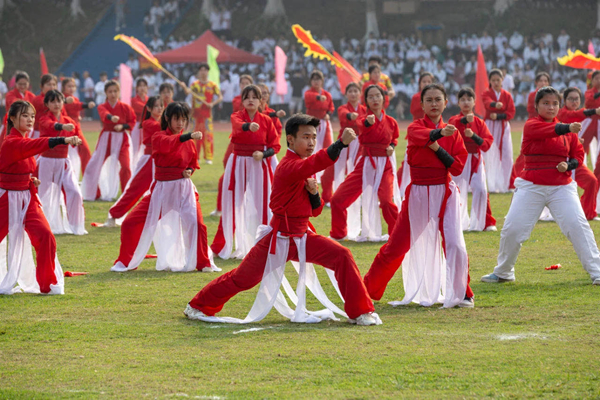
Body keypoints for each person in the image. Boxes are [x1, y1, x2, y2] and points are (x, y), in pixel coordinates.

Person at [184, 114, 381, 326]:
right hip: (277, 240)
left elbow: (314, 212)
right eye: (306, 137)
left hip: (303, 236)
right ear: (290, 140)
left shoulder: (304, 166)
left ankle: (361, 312)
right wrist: (340, 144)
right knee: (243, 278)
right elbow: (315, 162)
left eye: (314, 137)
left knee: (342, 255)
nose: (311, 142)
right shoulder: (288, 165)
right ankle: (198, 305)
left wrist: (314, 194)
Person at [363, 83, 473, 308]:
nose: (434, 104)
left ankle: (463, 292)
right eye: (429, 100)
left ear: (445, 103)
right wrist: (439, 135)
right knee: (396, 246)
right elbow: (421, 136)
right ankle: (366, 289)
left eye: (438, 99)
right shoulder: (414, 128)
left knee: (455, 244)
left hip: (446, 193)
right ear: (421, 104)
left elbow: (458, 168)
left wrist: (438, 148)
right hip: (419, 195)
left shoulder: (453, 133)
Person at [481, 87, 600, 286]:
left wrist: (569, 165)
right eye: (546, 103)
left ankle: (597, 272)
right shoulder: (532, 125)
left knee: (579, 227)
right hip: (531, 186)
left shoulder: (567, 131)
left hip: (561, 187)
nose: (551, 107)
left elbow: (578, 156)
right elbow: (548, 130)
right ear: (537, 106)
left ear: (559, 106)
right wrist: (567, 128)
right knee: (513, 229)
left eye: (555, 103)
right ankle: (504, 272)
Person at [111, 102, 219, 273]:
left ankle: (203, 262)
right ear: (168, 119)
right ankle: (125, 262)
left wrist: (189, 171)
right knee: (130, 222)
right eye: (177, 119)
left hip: (184, 191)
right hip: (161, 191)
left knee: (197, 224)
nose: (180, 123)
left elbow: (192, 163)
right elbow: (167, 144)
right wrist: (188, 136)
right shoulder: (159, 137)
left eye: (184, 119)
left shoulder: (189, 142)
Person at [0, 100, 81, 294]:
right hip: (5, 199)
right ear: (12, 118)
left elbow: (23, 161)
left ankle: (47, 284)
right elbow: (33, 145)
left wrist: (30, 180)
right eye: (25, 115)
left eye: (32, 116)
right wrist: (61, 139)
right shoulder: (11, 141)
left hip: (26, 198)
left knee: (46, 236)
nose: (30, 120)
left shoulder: (23, 141)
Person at [211, 85, 280, 260]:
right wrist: (249, 126)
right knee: (232, 204)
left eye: (254, 97)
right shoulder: (236, 116)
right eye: (247, 97)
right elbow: (238, 126)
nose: (251, 100)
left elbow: (275, 146)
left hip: (259, 164)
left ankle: (268, 242)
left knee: (263, 204)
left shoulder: (266, 121)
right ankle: (221, 245)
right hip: (238, 163)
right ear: (242, 100)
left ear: (260, 101)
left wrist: (263, 154)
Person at [330, 84, 400, 242]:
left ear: (383, 98)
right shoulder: (363, 119)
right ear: (366, 101)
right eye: (371, 97)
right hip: (366, 163)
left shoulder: (391, 122)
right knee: (338, 199)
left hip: (385, 166)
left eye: (378, 96)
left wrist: (391, 147)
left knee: (387, 202)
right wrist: (369, 122)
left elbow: (394, 138)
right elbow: (362, 127)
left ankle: (396, 235)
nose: (375, 99)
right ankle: (339, 233)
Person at [103, 96, 164, 227]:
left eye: (161, 106)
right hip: (149, 161)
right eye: (157, 106)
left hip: (162, 161)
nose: (160, 109)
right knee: (135, 190)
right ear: (148, 108)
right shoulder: (149, 123)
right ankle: (114, 215)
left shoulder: (162, 123)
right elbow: (163, 129)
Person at [37, 90, 87, 235]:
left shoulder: (70, 121)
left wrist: (76, 140)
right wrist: (62, 127)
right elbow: (50, 125)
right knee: (43, 195)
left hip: (63, 162)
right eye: (52, 101)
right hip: (46, 162)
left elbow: (76, 138)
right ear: (46, 104)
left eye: (59, 100)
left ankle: (75, 225)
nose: (56, 104)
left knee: (75, 192)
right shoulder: (43, 119)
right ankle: (41, 225)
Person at [448, 88, 496, 232]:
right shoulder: (454, 120)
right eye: (463, 100)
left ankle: (485, 222)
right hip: (459, 159)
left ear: (474, 102)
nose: (466, 102)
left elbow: (487, 142)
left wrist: (474, 136)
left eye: (469, 99)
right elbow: (451, 128)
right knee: (455, 191)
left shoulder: (479, 122)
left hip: (475, 159)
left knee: (481, 190)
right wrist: (464, 120)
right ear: (458, 103)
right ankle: (454, 221)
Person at [81, 80, 136, 201]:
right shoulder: (102, 106)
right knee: (93, 166)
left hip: (122, 140)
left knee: (126, 167)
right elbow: (104, 114)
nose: (113, 94)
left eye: (115, 91)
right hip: (106, 139)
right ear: (105, 93)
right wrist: (112, 118)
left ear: (119, 92)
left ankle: (126, 194)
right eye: (110, 91)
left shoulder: (125, 107)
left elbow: (132, 121)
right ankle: (94, 193)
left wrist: (123, 127)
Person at [211, 74, 254, 217]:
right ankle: (221, 208)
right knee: (226, 167)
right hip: (237, 140)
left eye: (247, 83)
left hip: (252, 143)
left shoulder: (257, 103)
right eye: (243, 83)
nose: (244, 85)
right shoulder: (237, 100)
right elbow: (241, 110)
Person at [557, 87, 600, 220]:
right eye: (571, 99)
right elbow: (573, 116)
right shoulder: (561, 113)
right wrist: (594, 111)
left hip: (575, 161)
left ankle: (588, 212)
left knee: (592, 181)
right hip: (560, 160)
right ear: (564, 101)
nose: (574, 102)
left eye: (577, 99)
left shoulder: (579, 115)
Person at [510, 72, 551, 189]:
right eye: (541, 81)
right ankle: (515, 178)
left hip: (547, 128)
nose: (543, 83)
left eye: (545, 81)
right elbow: (530, 109)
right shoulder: (533, 95)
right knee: (525, 154)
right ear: (536, 83)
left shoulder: (551, 96)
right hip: (533, 128)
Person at [398, 72, 434, 198]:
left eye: (429, 81)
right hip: (417, 132)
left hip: (430, 133)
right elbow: (414, 111)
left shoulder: (434, 98)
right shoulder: (416, 97)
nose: (426, 84)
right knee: (409, 160)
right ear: (419, 84)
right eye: (424, 82)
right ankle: (399, 185)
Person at [482, 69, 516, 193]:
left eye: (498, 80)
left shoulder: (507, 95)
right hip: (489, 126)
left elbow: (511, 112)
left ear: (502, 80)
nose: (496, 82)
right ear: (490, 81)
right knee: (489, 153)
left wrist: (499, 116)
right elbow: (487, 103)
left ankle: (506, 184)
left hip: (503, 126)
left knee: (506, 153)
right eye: (493, 80)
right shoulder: (486, 93)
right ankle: (490, 183)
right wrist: (495, 105)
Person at [304, 70, 335, 204]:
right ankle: (308, 191)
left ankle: (327, 195)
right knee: (309, 157)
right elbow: (309, 99)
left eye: (318, 79)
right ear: (311, 82)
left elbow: (331, 107)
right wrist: (318, 98)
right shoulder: (309, 93)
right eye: (314, 79)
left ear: (322, 81)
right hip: (311, 126)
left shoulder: (327, 94)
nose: (316, 82)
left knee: (329, 157)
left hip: (324, 126)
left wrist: (328, 113)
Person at [333, 83, 367, 201]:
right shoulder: (342, 108)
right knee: (339, 166)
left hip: (360, 142)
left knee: (358, 167)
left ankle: (357, 196)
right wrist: (350, 116)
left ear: (360, 93)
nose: (353, 94)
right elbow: (343, 114)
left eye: (355, 91)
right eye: (350, 91)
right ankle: (337, 193)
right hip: (345, 139)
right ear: (346, 94)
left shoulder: (364, 109)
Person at [189, 63, 222, 164]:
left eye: (205, 70)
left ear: (208, 72)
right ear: (199, 72)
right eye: (201, 70)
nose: (203, 72)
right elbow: (188, 93)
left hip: (207, 116)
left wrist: (213, 103)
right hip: (195, 115)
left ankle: (208, 158)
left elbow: (220, 97)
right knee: (195, 136)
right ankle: (196, 156)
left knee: (208, 136)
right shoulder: (194, 85)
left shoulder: (212, 85)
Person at [62, 77, 94, 179]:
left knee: (85, 151)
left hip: (77, 130)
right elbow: (75, 106)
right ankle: (67, 179)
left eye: (73, 86)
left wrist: (77, 117)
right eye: (69, 86)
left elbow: (75, 107)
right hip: (66, 130)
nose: (71, 88)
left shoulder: (74, 98)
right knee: (67, 156)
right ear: (63, 87)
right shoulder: (63, 99)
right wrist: (87, 105)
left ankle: (87, 179)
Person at [29, 74, 59, 140]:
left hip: (54, 131)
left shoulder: (58, 100)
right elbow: (48, 104)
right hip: (38, 133)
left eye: (54, 85)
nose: (52, 87)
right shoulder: (37, 99)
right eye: (49, 84)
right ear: (41, 86)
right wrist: (64, 101)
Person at [130, 79, 149, 162]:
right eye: (140, 86)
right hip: (137, 126)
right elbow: (144, 109)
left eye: (144, 86)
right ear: (136, 88)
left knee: (146, 147)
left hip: (147, 126)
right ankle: (133, 166)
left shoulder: (149, 100)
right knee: (135, 148)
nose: (142, 88)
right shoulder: (133, 100)